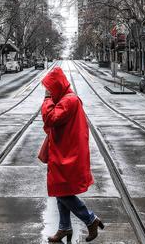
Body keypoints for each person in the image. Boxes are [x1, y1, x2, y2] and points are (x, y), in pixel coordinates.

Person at [41, 67, 104, 243]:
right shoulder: (67, 99)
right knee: (61, 189)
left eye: (50, 88)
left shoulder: (68, 101)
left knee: (61, 191)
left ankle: (90, 219)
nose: (48, 91)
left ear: (57, 87)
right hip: (65, 151)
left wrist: (47, 99)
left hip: (67, 154)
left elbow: (50, 118)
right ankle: (64, 227)